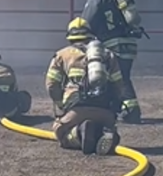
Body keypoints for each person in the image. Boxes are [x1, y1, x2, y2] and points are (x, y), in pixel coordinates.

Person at [46, 18, 136, 155]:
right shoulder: (108, 55)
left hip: (76, 110)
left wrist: (61, 104)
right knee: (103, 128)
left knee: (60, 132)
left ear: (70, 37)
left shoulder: (62, 55)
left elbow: (51, 85)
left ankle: (79, 133)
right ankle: (106, 133)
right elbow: (120, 85)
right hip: (104, 110)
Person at [79, 0, 144, 123]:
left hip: (113, 45)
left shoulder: (96, 0)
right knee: (118, 76)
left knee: (120, 77)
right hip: (129, 43)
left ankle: (132, 111)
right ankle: (116, 106)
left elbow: (86, 23)